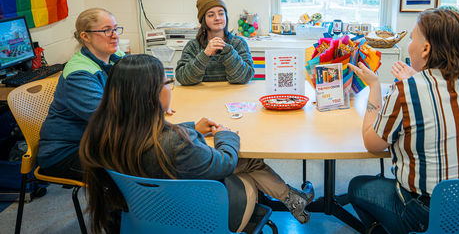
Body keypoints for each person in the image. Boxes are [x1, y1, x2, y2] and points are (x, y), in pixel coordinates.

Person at [79, 55, 314, 233]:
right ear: (151, 94)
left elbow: (151, 133)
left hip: (139, 216)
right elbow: (224, 164)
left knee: (243, 162)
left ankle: (293, 198)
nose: (169, 88)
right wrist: (226, 135)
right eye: (166, 82)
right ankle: (293, 198)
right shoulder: (175, 143)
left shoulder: (100, 133)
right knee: (247, 162)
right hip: (202, 219)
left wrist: (189, 127)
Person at [348, 8, 459, 234]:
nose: (410, 44)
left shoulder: (408, 90)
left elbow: (372, 144)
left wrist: (374, 86)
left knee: (358, 187)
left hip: (436, 216)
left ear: (426, 49)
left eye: (412, 38)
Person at [38, 8, 125, 180]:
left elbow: (140, 86)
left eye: (115, 29)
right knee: (133, 168)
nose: (115, 35)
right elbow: (108, 119)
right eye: (107, 30)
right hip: (66, 152)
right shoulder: (79, 74)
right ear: (85, 36)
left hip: (97, 141)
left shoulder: (115, 56)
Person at [175, 0, 254, 85]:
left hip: (232, 96)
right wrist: (205, 55)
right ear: (203, 20)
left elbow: (245, 77)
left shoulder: (239, 43)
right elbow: (182, 78)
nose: (217, 18)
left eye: (221, 13)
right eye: (211, 15)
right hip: (201, 96)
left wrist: (228, 52)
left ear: (226, 17)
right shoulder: (193, 46)